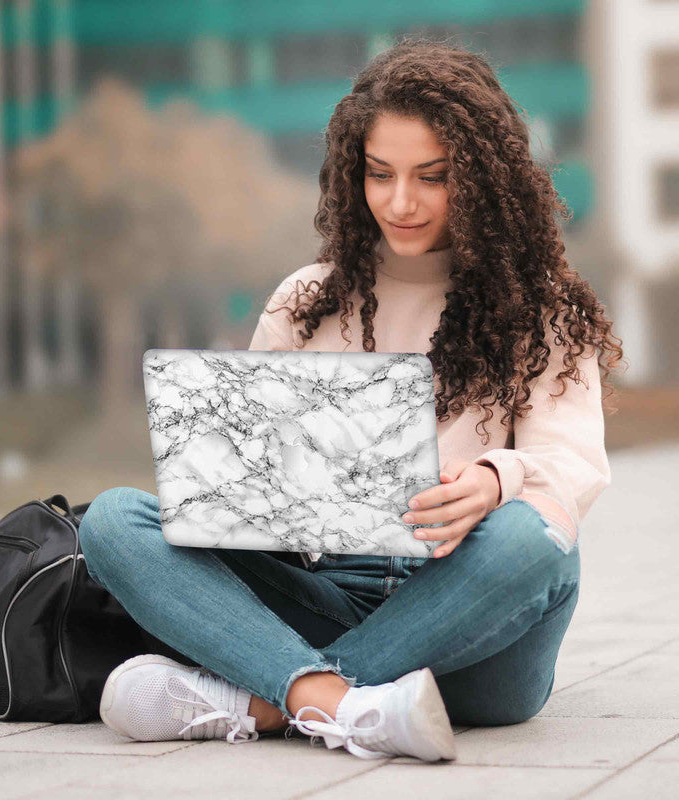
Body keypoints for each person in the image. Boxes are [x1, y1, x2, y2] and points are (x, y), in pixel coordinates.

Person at [78, 38, 624, 762]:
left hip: (473, 624)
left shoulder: (542, 309)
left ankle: (272, 701)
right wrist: (242, 490)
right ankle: (348, 707)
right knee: (114, 520)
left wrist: (498, 481)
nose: (400, 202)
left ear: (484, 178)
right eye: (380, 173)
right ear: (353, 172)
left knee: (540, 540)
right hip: (327, 593)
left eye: (433, 177)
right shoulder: (306, 301)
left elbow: (572, 465)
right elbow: (241, 479)